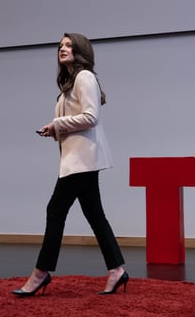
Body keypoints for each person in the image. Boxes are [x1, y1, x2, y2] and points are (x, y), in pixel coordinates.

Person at [11, 33, 128, 297]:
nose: (62, 49)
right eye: (60, 46)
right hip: (81, 159)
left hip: (82, 161)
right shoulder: (71, 82)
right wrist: (55, 129)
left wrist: (57, 125)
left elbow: (90, 117)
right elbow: (78, 120)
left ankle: (41, 273)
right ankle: (117, 270)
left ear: (80, 50)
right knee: (95, 216)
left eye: (68, 45)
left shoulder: (84, 77)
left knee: (55, 210)